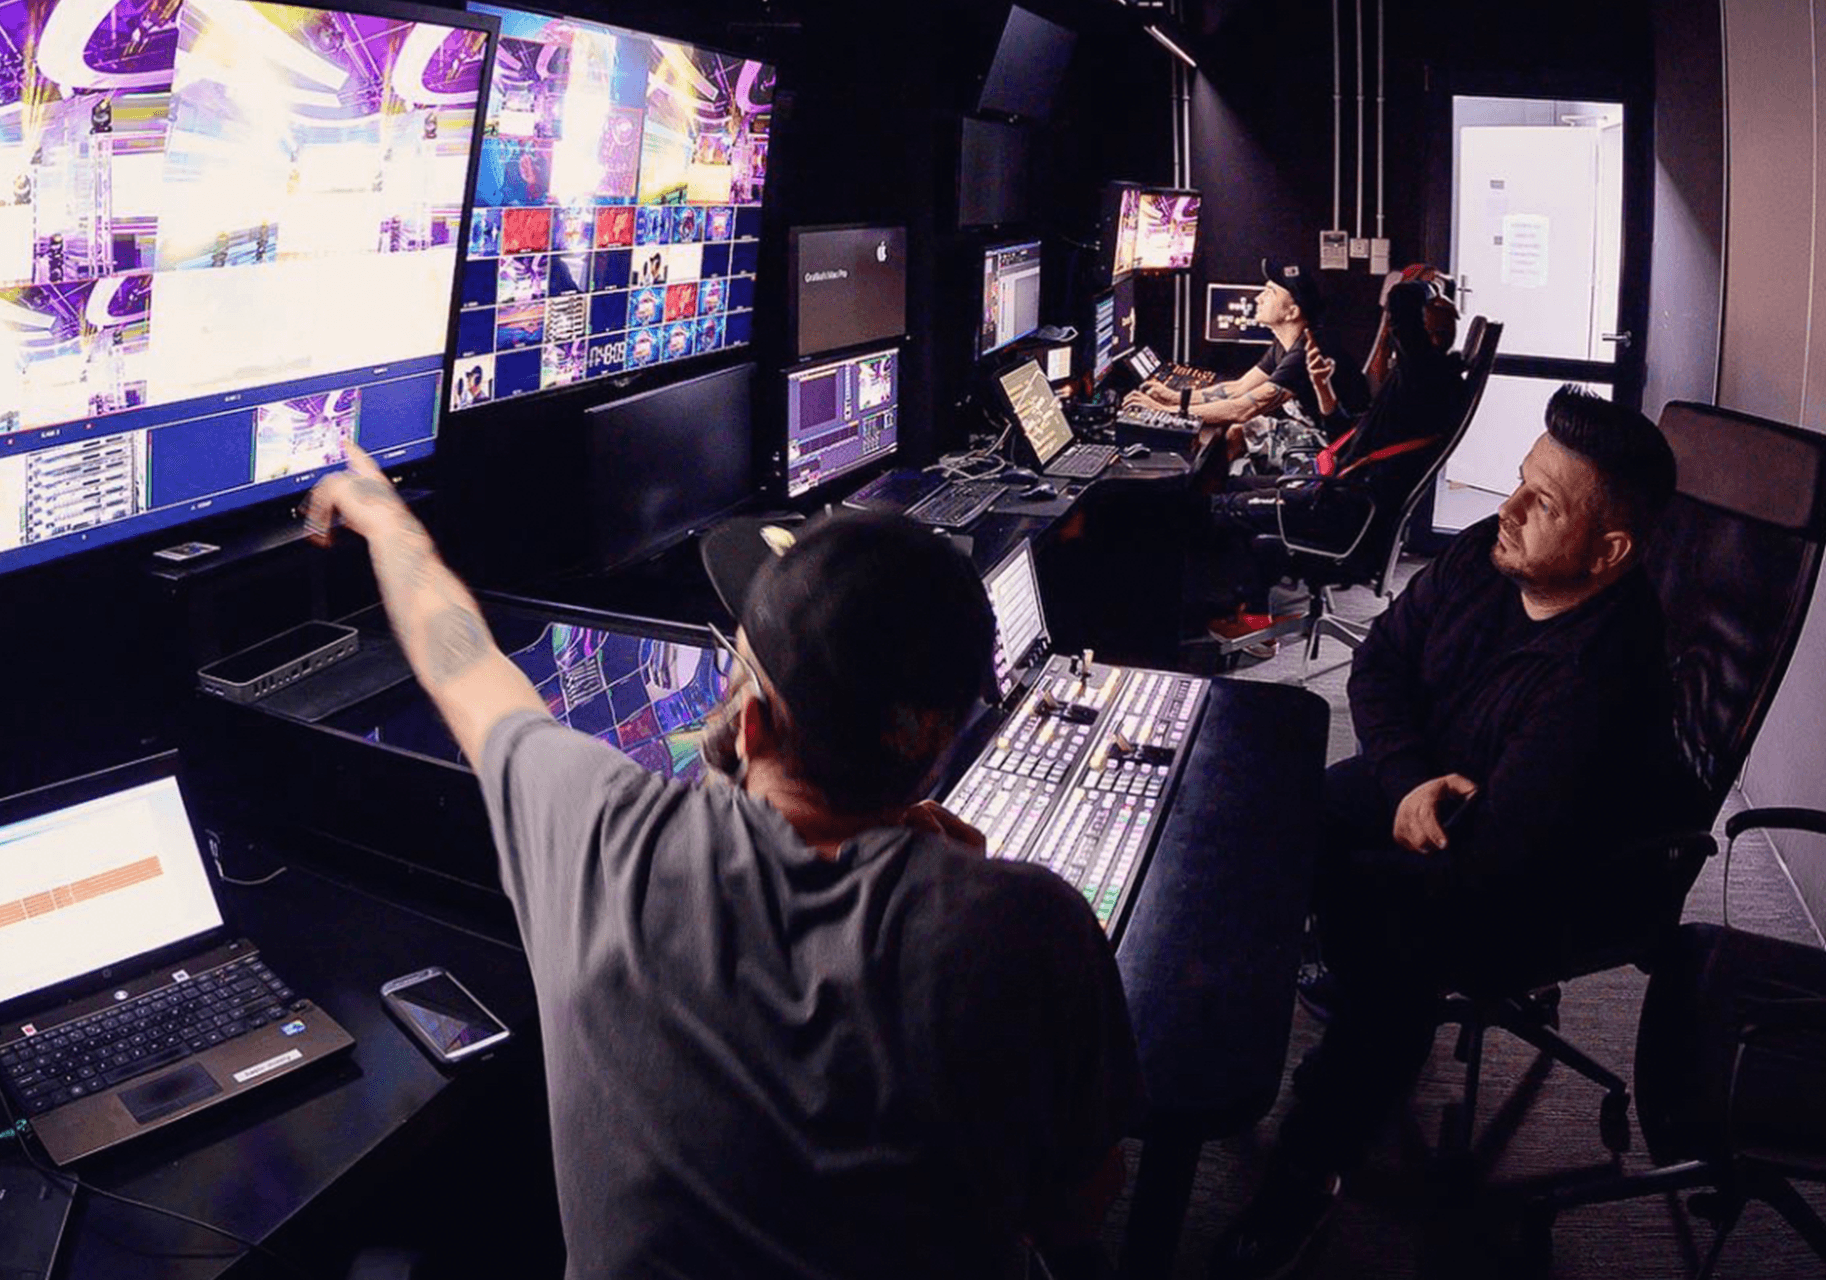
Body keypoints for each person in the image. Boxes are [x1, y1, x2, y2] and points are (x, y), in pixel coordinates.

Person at [302, 449, 1146, 1280]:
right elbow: (1076, 1209)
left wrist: (388, 521)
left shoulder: (603, 836)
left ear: (751, 725)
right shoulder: (1028, 925)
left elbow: (459, 659)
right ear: (935, 750)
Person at [1209, 387, 1682, 1279]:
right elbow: (1381, 662)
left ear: (1610, 551)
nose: (1509, 507)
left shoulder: (1601, 683)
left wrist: (1379, 837)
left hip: (1541, 873)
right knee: (1270, 818)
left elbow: (1495, 861)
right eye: (1520, 480)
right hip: (1433, 784)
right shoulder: (1486, 555)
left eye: (1544, 503)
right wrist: (1407, 778)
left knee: (1381, 924)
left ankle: (1307, 1174)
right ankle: (1238, 1030)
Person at [1202, 276, 1464, 643]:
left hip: (1343, 510)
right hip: (1343, 495)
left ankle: (1251, 623)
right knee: (1229, 486)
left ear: (1424, 338)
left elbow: (1402, 299)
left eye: (1408, 332)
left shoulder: (1424, 378)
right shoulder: (1417, 385)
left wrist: (1425, 288)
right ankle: (1246, 606)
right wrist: (1323, 387)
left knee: (1219, 508)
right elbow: (1349, 439)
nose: (1393, 340)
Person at [1125, 259, 1335, 435]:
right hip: (1306, 430)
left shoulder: (1307, 352)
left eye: (1270, 292)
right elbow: (1239, 388)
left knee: (1237, 429)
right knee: (1236, 433)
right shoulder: (1285, 342)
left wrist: (1164, 411)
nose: (1259, 298)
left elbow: (1243, 409)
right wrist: (1175, 398)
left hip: (1328, 446)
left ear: (1292, 313)